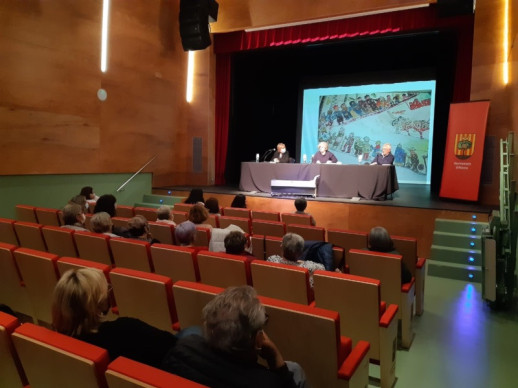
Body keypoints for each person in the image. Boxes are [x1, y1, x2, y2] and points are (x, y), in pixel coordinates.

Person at [161, 286, 306, 388]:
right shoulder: (266, 382)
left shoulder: (183, 346)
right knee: (295, 369)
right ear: (254, 340)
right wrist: (277, 361)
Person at [52, 268, 181, 369]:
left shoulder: (58, 341)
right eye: (106, 290)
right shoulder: (125, 330)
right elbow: (171, 344)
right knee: (191, 332)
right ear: (99, 302)